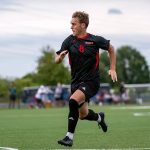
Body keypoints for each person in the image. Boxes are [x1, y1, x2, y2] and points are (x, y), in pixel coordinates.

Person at [55, 11, 117, 147]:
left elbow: (111, 49)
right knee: (83, 115)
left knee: (72, 101)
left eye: (73, 24)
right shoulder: (69, 40)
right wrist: (60, 58)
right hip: (76, 82)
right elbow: (56, 59)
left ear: (83, 25)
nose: (71, 27)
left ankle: (69, 137)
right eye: (71, 24)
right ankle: (99, 117)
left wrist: (112, 68)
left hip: (91, 82)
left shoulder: (95, 40)